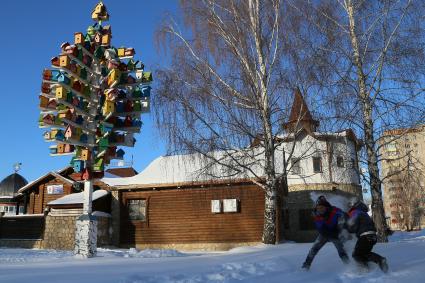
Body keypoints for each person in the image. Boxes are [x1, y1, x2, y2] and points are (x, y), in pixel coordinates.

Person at [302, 196, 349, 270]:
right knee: (314, 249)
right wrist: (331, 234)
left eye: (322, 207)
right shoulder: (316, 215)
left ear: (326, 207)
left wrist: (341, 227)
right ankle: (306, 266)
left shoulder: (334, 211)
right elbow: (320, 228)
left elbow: (344, 216)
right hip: (324, 234)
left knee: (341, 251)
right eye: (318, 208)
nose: (320, 210)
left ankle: (349, 266)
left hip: (336, 233)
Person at [346, 200, 389, 273]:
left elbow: (353, 227)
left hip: (365, 236)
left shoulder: (356, 212)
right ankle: (376, 262)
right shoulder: (365, 214)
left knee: (356, 255)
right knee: (364, 254)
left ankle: (367, 268)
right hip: (372, 236)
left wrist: (347, 227)